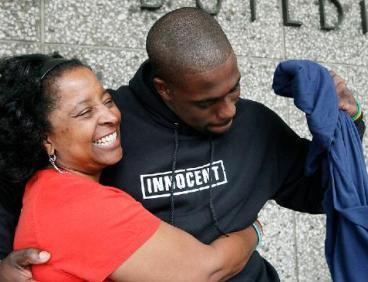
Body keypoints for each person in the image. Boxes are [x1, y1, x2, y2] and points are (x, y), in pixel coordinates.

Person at [0, 7, 365, 281]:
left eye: (233, 89)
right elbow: (25, 199)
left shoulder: (256, 124)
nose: (227, 111)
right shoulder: (101, 139)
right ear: (165, 89)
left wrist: (351, 124)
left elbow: (324, 193)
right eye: (206, 102)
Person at [0, 53, 261, 281]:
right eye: (85, 113)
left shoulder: (45, 187)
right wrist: (254, 230)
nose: (110, 116)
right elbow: (206, 272)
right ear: (45, 138)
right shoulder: (79, 205)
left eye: (107, 100)